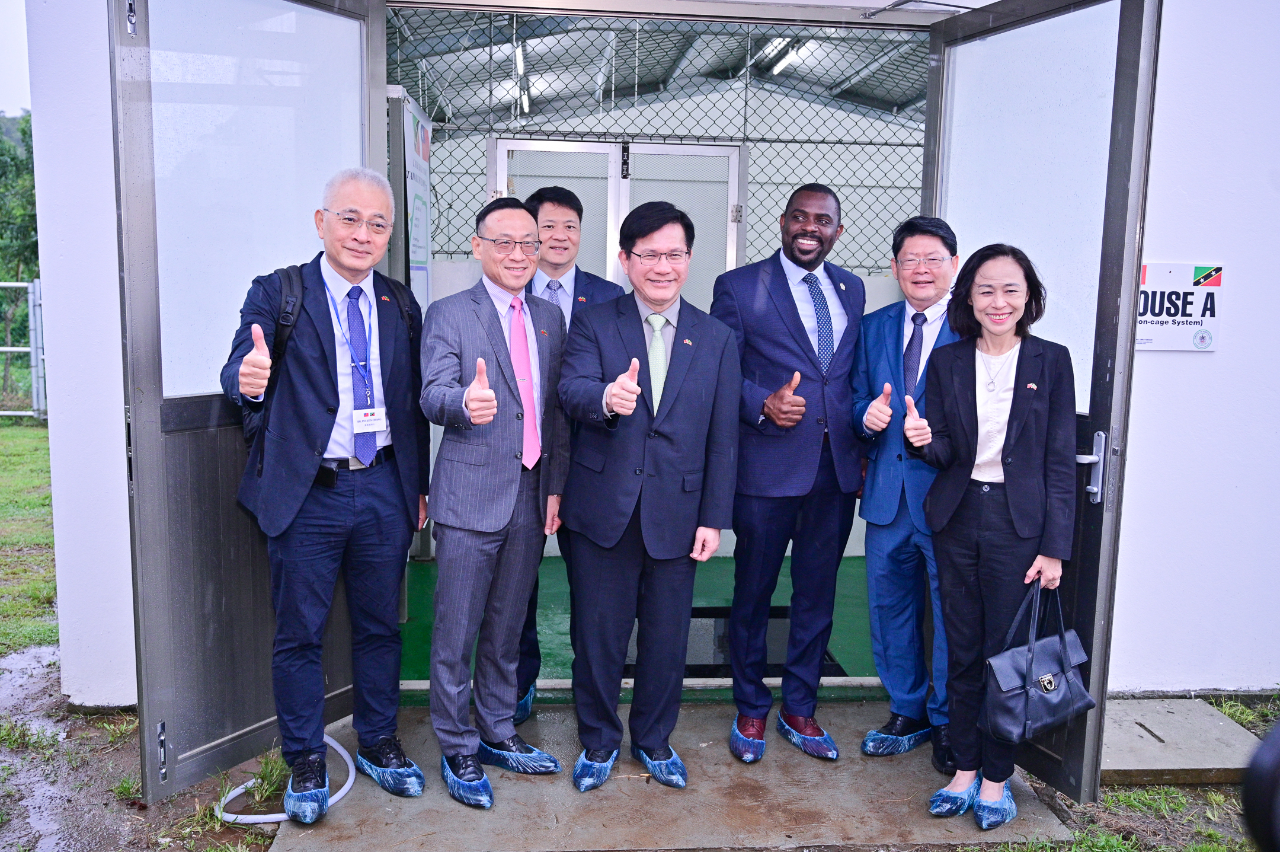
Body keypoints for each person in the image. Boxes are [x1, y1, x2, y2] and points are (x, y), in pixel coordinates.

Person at [219, 167, 431, 824]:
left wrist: (417, 486)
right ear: (321, 222)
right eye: (349, 218)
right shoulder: (279, 292)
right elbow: (239, 365)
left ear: (388, 234)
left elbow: (411, 405)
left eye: (377, 223)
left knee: (380, 626)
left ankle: (379, 742)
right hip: (309, 493)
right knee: (300, 633)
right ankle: (306, 759)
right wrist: (248, 376)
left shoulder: (399, 303)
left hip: (384, 487)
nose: (363, 234)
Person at [557, 201, 740, 792]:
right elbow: (571, 389)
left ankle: (655, 741)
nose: (663, 267)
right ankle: (598, 740)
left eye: (674, 254)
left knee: (666, 637)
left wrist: (714, 517)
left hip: (679, 513)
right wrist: (606, 399)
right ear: (625, 259)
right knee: (597, 636)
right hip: (601, 508)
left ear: (689, 258)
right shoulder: (593, 322)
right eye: (649, 255)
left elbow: (724, 435)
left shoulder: (716, 337)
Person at [902, 244, 1076, 830]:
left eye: (1010, 289)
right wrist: (922, 439)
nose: (998, 302)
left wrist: (1054, 547)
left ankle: (998, 779)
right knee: (962, 650)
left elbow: (1059, 461)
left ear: (1028, 297)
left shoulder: (1051, 361)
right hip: (958, 517)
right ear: (969, 298)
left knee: (1008, 657)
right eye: (986, 290)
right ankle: (963, 769)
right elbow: (947, 452)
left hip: (1019, 526)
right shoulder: (949, 361)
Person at [418, 197, 571, 809]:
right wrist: (463, 403)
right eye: (504, 242)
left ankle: (497, 729)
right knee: (456, 631)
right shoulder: (450, 313)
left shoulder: (549, 317)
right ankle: (456, 744)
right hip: (470, 497)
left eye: (528, 243)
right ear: (478, 246)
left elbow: (555, 412)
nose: (518, 254)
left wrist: (554, 486)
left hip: (530, 495)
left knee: (507, 628)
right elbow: (432, 393)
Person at [709, 184, 865, 763]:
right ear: (781, 222)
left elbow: (844, 375)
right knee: (753, 593)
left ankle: (801, 706)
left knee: (817, 595)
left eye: (822, 221)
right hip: (768, 469)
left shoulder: (851, 288)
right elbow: (720, 370)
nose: (809, 228)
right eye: (799, 217)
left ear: (837, 231)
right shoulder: (739, 287)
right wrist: (761, 403)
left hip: (834, 472)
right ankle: (751, 706)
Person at [852, 217, 961, 772]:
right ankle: (908, 709)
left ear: (953, 266)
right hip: (887, 498)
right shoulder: (873, 327)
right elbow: (854, 397)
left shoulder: (974, 328)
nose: (921, 270)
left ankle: (948, 719)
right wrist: (864, 417)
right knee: (889, 606)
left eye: (933, 259)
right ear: (894, 268)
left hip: (949, 500)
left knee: (951, 614)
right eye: (910, 260)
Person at [514, 185, 625, 724]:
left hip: (591, 461)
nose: (559, 237)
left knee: (593, 590)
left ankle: (592, 696)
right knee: (518, 585)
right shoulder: (509, 288)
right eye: (548, 227)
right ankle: (518, 684)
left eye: (570, 227)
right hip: (525, 462)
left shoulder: (608, 296)